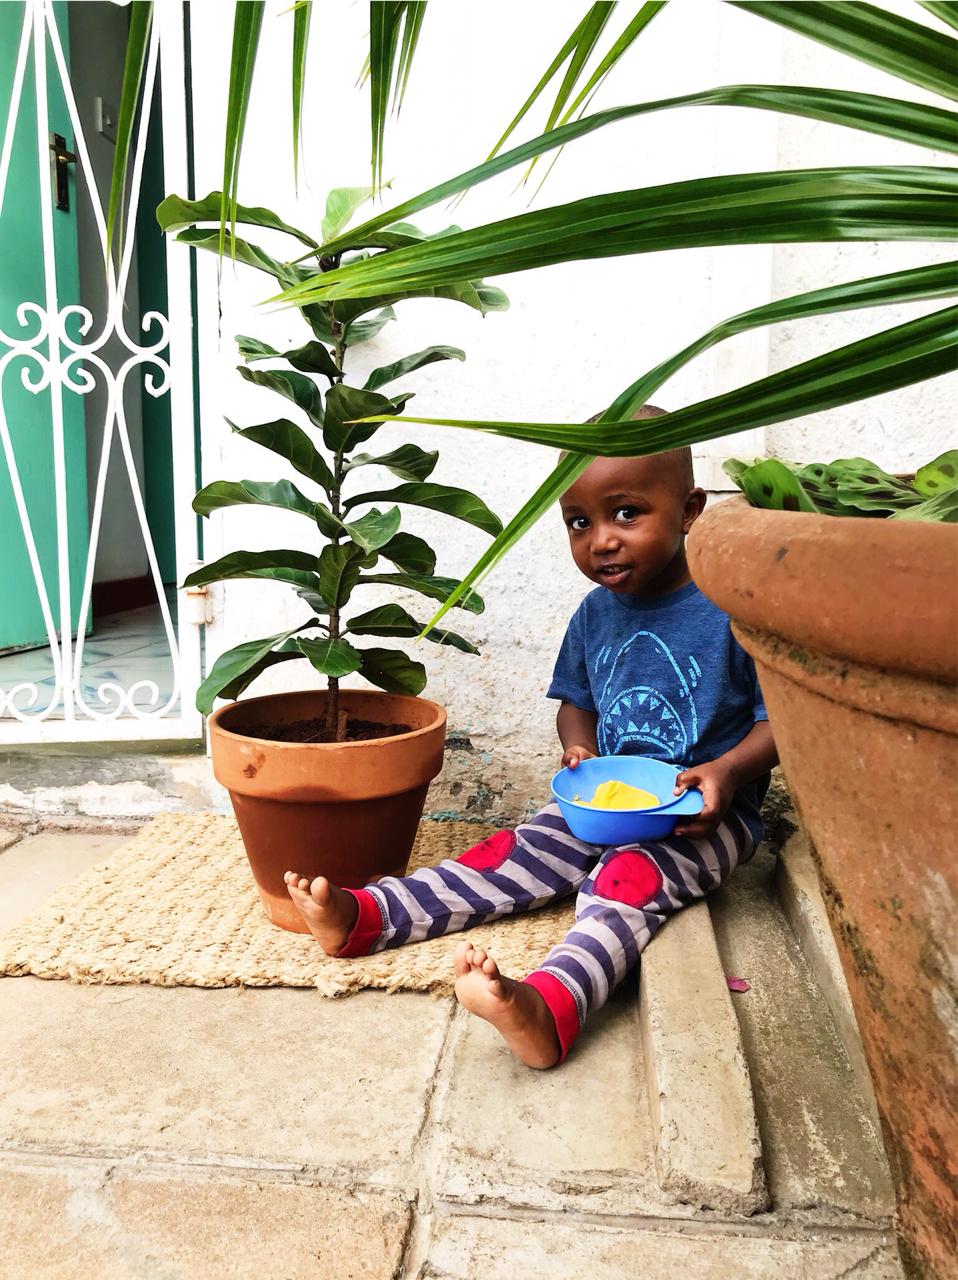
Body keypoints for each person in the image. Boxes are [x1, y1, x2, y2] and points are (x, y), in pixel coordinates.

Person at [284, 406, 778, 1069]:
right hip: (606, 804)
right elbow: (575, 704)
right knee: (507, 855)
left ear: (690, 508)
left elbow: (780, 724)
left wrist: (726, 773)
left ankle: (552, 1006)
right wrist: (578, 749)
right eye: (580, 522)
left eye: (626, 514)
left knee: (625, 883)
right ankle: (369, 916)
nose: (600, 539)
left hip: (703, 818)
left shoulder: (728, 610)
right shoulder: (595, 614)